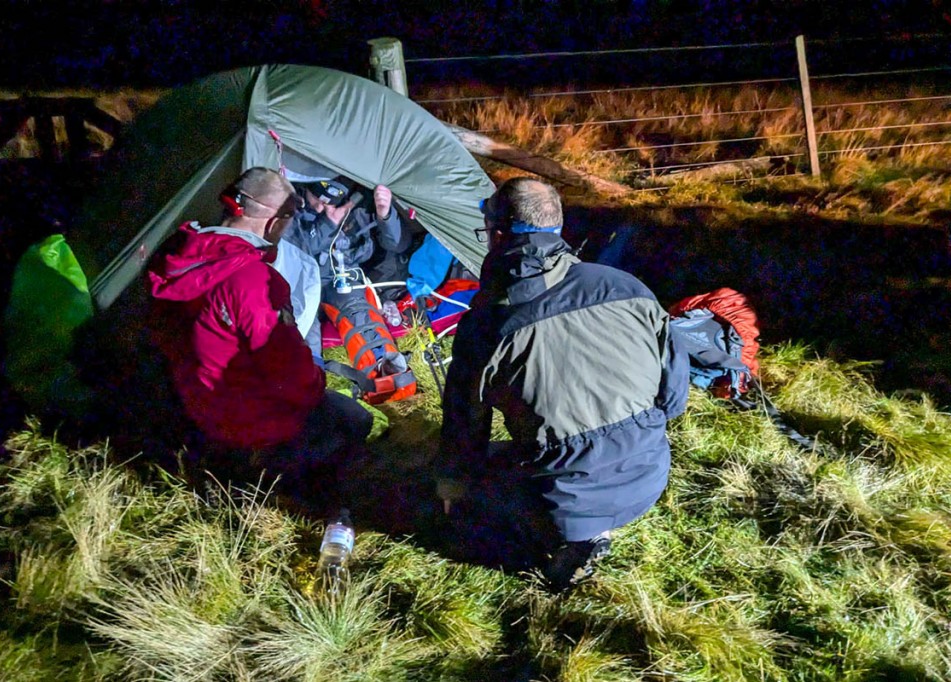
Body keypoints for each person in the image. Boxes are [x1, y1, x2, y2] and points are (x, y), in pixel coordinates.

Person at [436, 177, 690, 591]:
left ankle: (563, 543)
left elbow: (465, 425)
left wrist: (452, 488)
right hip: (649, 475)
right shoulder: (628, 288)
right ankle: (593, 521)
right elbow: (674, 398)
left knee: (472, 499)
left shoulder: (487, 322)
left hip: (561, 497)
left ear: (497, 236)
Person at [146, 167, 373, 490]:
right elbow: (291, 376)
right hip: (243, 422)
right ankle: (279, 483)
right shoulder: (254, 281)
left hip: (191, 404)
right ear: (274, 222)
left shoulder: (175, 254)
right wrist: (318, 379)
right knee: (354, 418)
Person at [285, 177, 416, 403]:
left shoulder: (357, 205)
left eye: (330, 201)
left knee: (358, 313)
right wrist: (327, 223)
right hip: (299, 279)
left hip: (341, 278)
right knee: (303, 330)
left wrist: (385, 215)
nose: (322, 206)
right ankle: (306, 394)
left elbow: (397, 244)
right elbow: (293, 252)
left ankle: (383, 377)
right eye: (317, 198)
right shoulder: (287, 205)